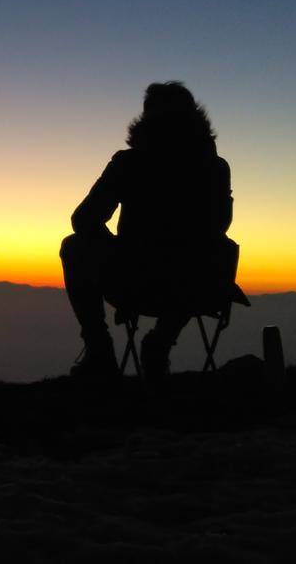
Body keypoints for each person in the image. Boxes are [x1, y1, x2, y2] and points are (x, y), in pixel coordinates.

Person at [60, 82, 236, 382]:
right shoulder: (216, 168)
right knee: (213, 251)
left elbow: (83, 220)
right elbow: (219, 228)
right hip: (197, 288)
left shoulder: (128, 164)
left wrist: (115, 246)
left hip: (134, 282)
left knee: (74, 246)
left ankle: (100, 352)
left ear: (146, 120)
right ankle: (160, 344)